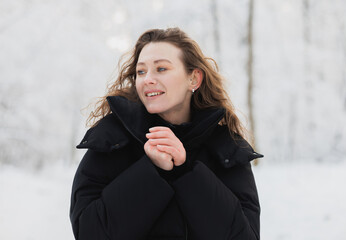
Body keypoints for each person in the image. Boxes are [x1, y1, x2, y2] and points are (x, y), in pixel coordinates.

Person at [70, 27, 263, 240]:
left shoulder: (226, 149)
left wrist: (185, 170)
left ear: (194, 79)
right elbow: (88, 233)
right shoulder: (111, 141)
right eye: (141, 71)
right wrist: (151, 171)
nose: (147, 79)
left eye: (161, 69)